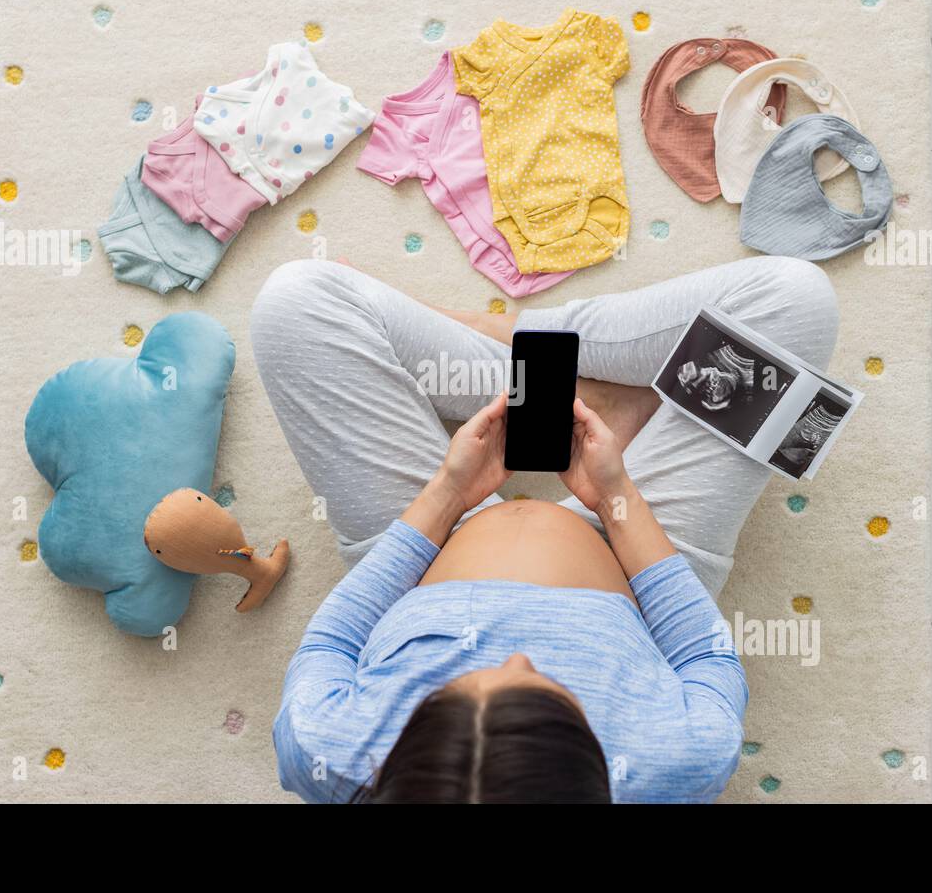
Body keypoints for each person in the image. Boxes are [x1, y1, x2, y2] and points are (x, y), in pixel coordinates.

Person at [249, 256, 838, 803]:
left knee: (295, 299)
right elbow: (700, 654)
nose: (518, 658)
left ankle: (532, 360)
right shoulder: (682, 764)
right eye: (551, 689)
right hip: (639, 561)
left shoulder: (327, 750)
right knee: (796, 298)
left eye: (459, 684)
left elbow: (336, 641)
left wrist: (448, 494)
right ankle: (557, 373)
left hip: (418, 556)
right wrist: (617, 499)